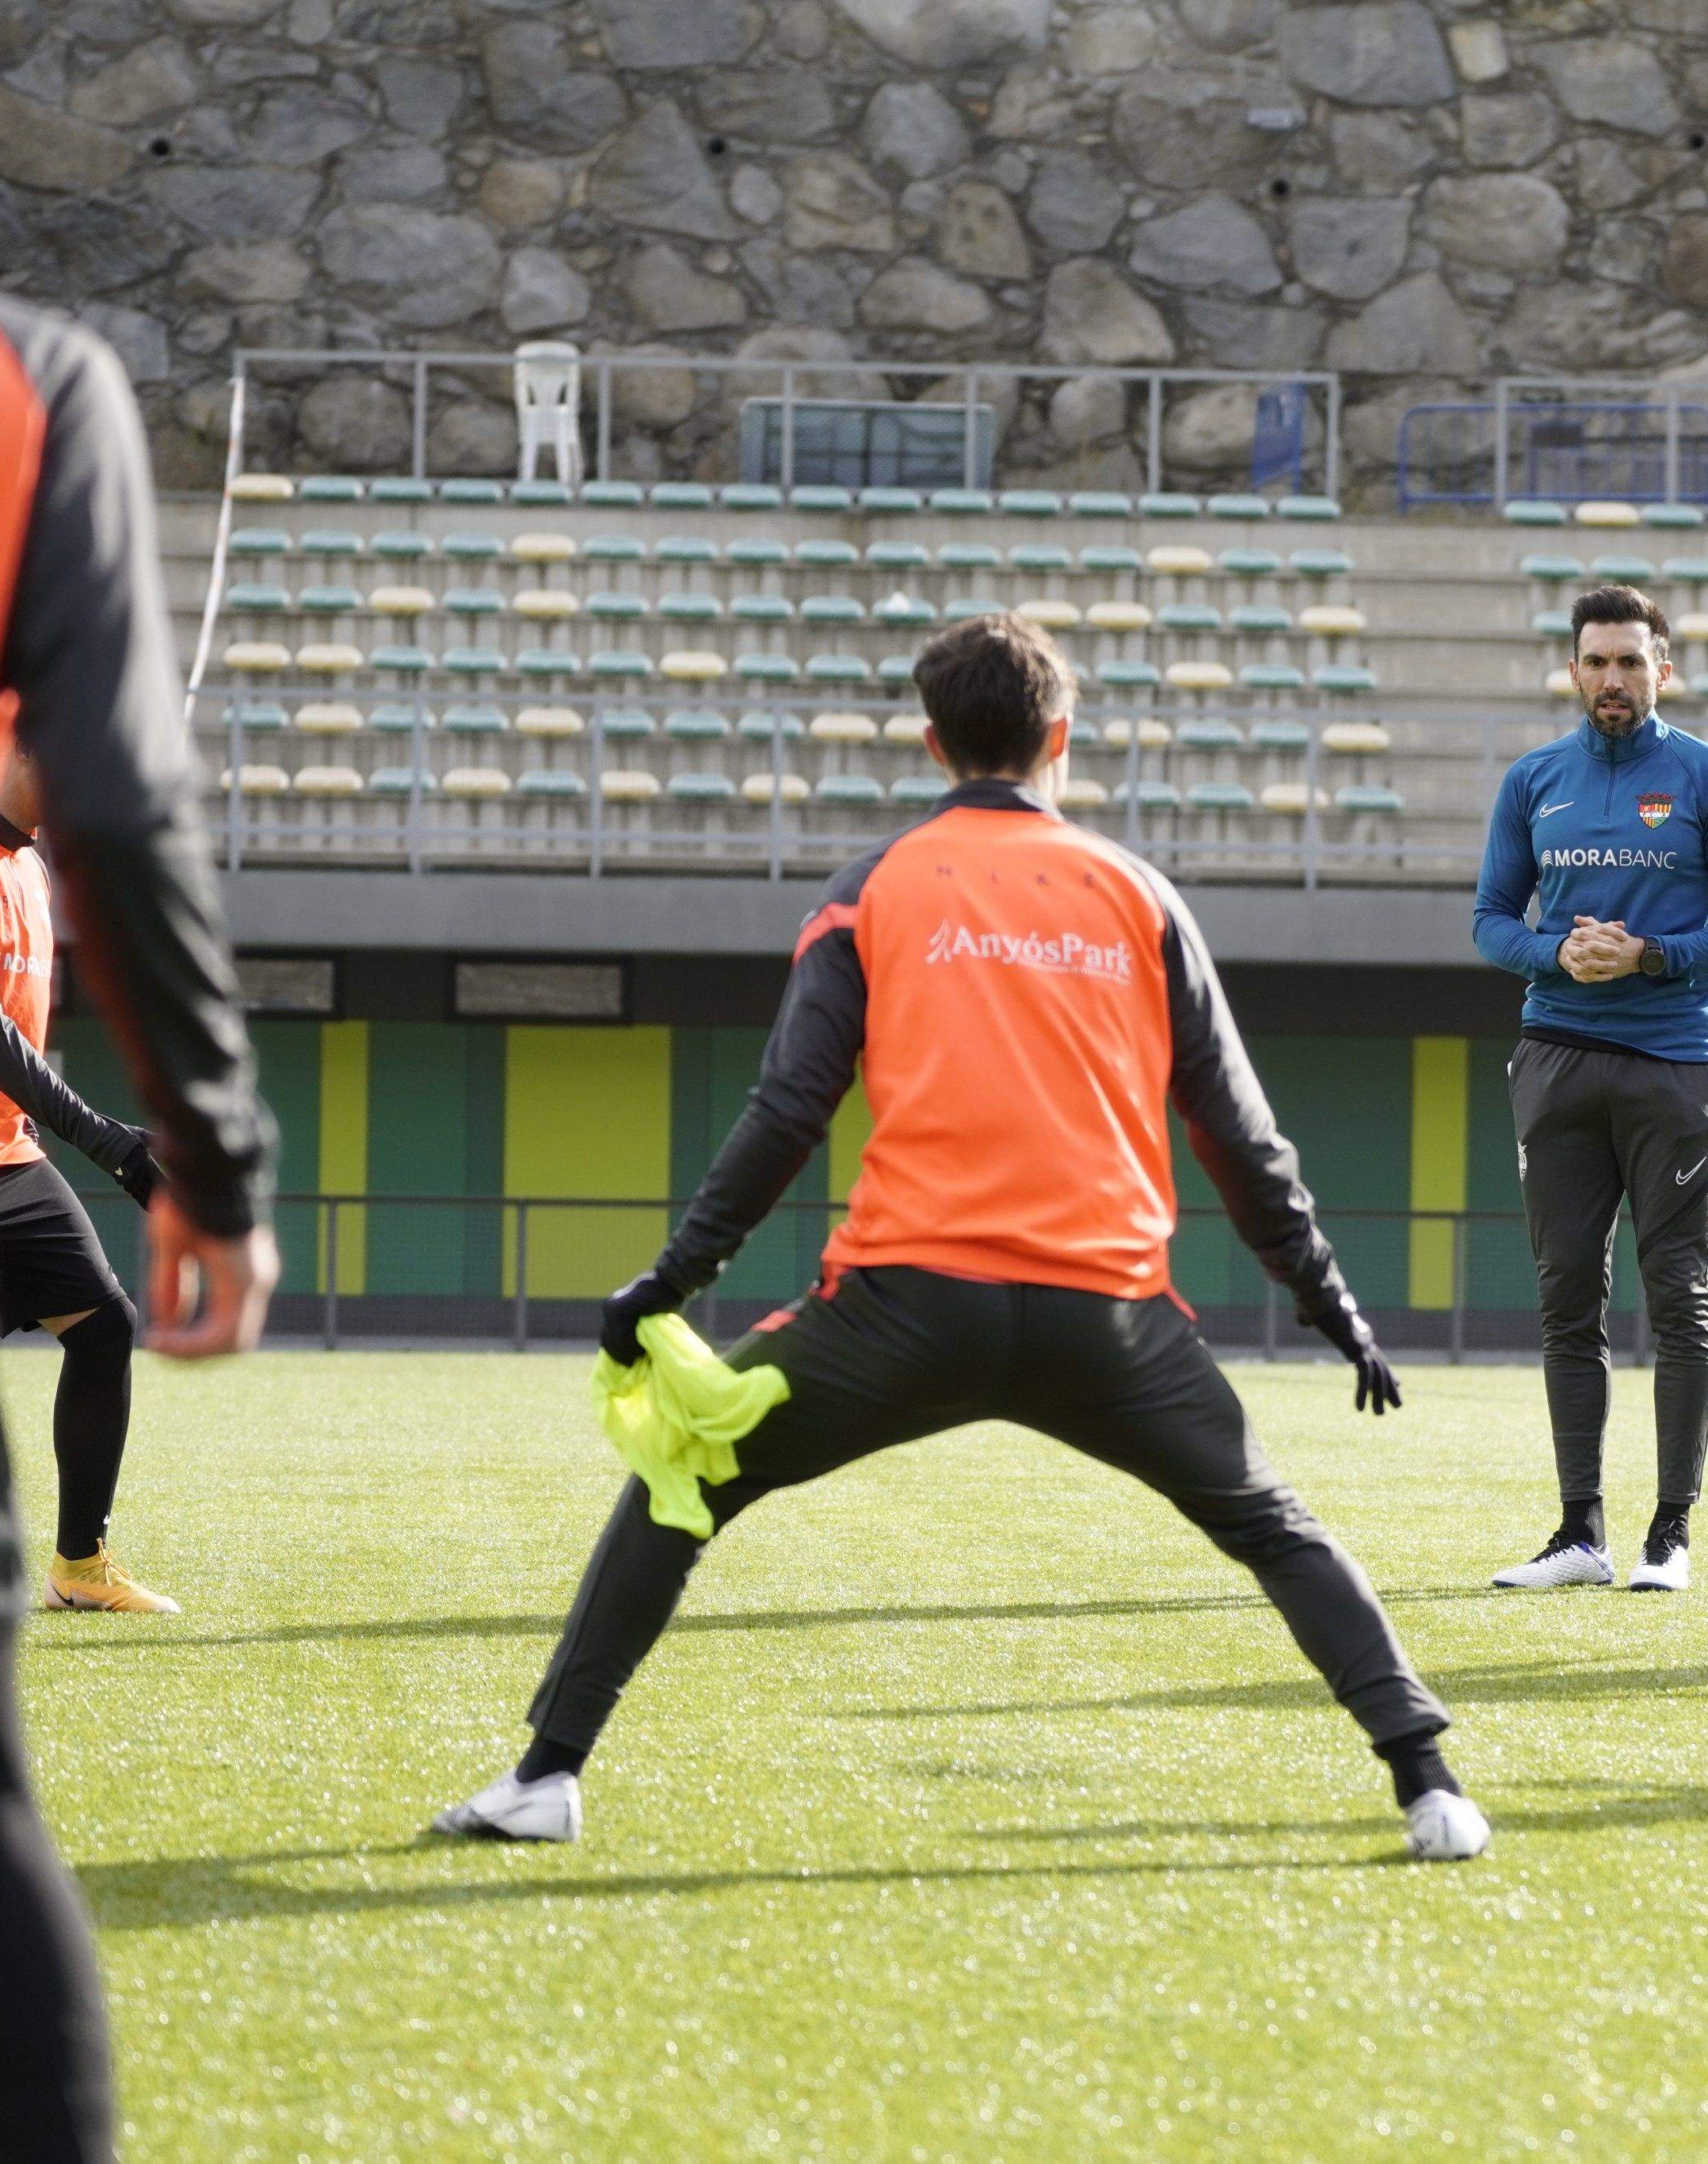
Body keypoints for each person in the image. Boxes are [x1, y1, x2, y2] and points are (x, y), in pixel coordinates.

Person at [433, 615, 1488, 1863]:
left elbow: (788, 1109)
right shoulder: (1141, 896)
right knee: (1275, 1526)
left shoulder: (873, 886)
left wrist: (675, 1276)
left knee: (684, 1472)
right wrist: (1328, 1302)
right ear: (1063, 737)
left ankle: (548, 1774)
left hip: (904, 1309)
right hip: (1113, 1322)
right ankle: (1431, 1785)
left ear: (933, 743)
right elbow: (1241, 1137)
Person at [0, 289, 280, 2164]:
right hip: (35, 1142)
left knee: (91, 1329)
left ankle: (90, 1550)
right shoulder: (30, 384)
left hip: (3, 1165)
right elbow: (118, 778)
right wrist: (195, 1157)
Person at [1472, 584, 1708, 1595]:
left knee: (1677, 1293)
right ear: (1573, 669)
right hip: (1554, 1056)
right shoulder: (1533, 781)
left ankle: (1669, 1534)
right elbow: (1488, 922)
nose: (1613, 678)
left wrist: (1649, 956)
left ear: (1664, 669)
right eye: (1597, 661)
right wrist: (1557, 955)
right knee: (1567, 1295)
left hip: (1671, 1061)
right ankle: (1577, 1535)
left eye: (1631, 662)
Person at [0, 775, 175, 1613]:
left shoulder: (31, 865)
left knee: (105, 1329)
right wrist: (108, 1144)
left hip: (10, 1160)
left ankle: (79, 1565)